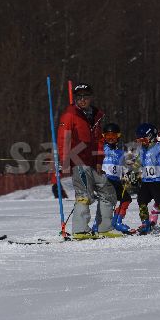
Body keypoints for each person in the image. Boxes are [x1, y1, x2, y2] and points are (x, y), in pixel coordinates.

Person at [57, 83, 117, 237]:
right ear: (75, 99)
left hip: (92, 162)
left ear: (91, 97)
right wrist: (64, 162)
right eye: (79, 97)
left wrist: (99, 161)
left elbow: (99, 141)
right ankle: (80, 230)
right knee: (84, 194)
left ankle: (105, 228)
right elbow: (64, 139)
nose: (82, 100)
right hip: (78, 160)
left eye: (85, 96)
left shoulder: (95, 116)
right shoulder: (70, 115)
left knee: (107, 191)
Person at [100, 122, 133, 234]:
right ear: (104, 137)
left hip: (116, 180)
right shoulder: (102, 148)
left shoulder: (120, 151)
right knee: (107, 202)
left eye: (113, 136)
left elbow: (123, 165)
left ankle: (117, 222)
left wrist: (127, 172)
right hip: (106, 179)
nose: (111, 139)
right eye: (108, 136)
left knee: (126, 199)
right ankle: (98, 225)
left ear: (118, 137)